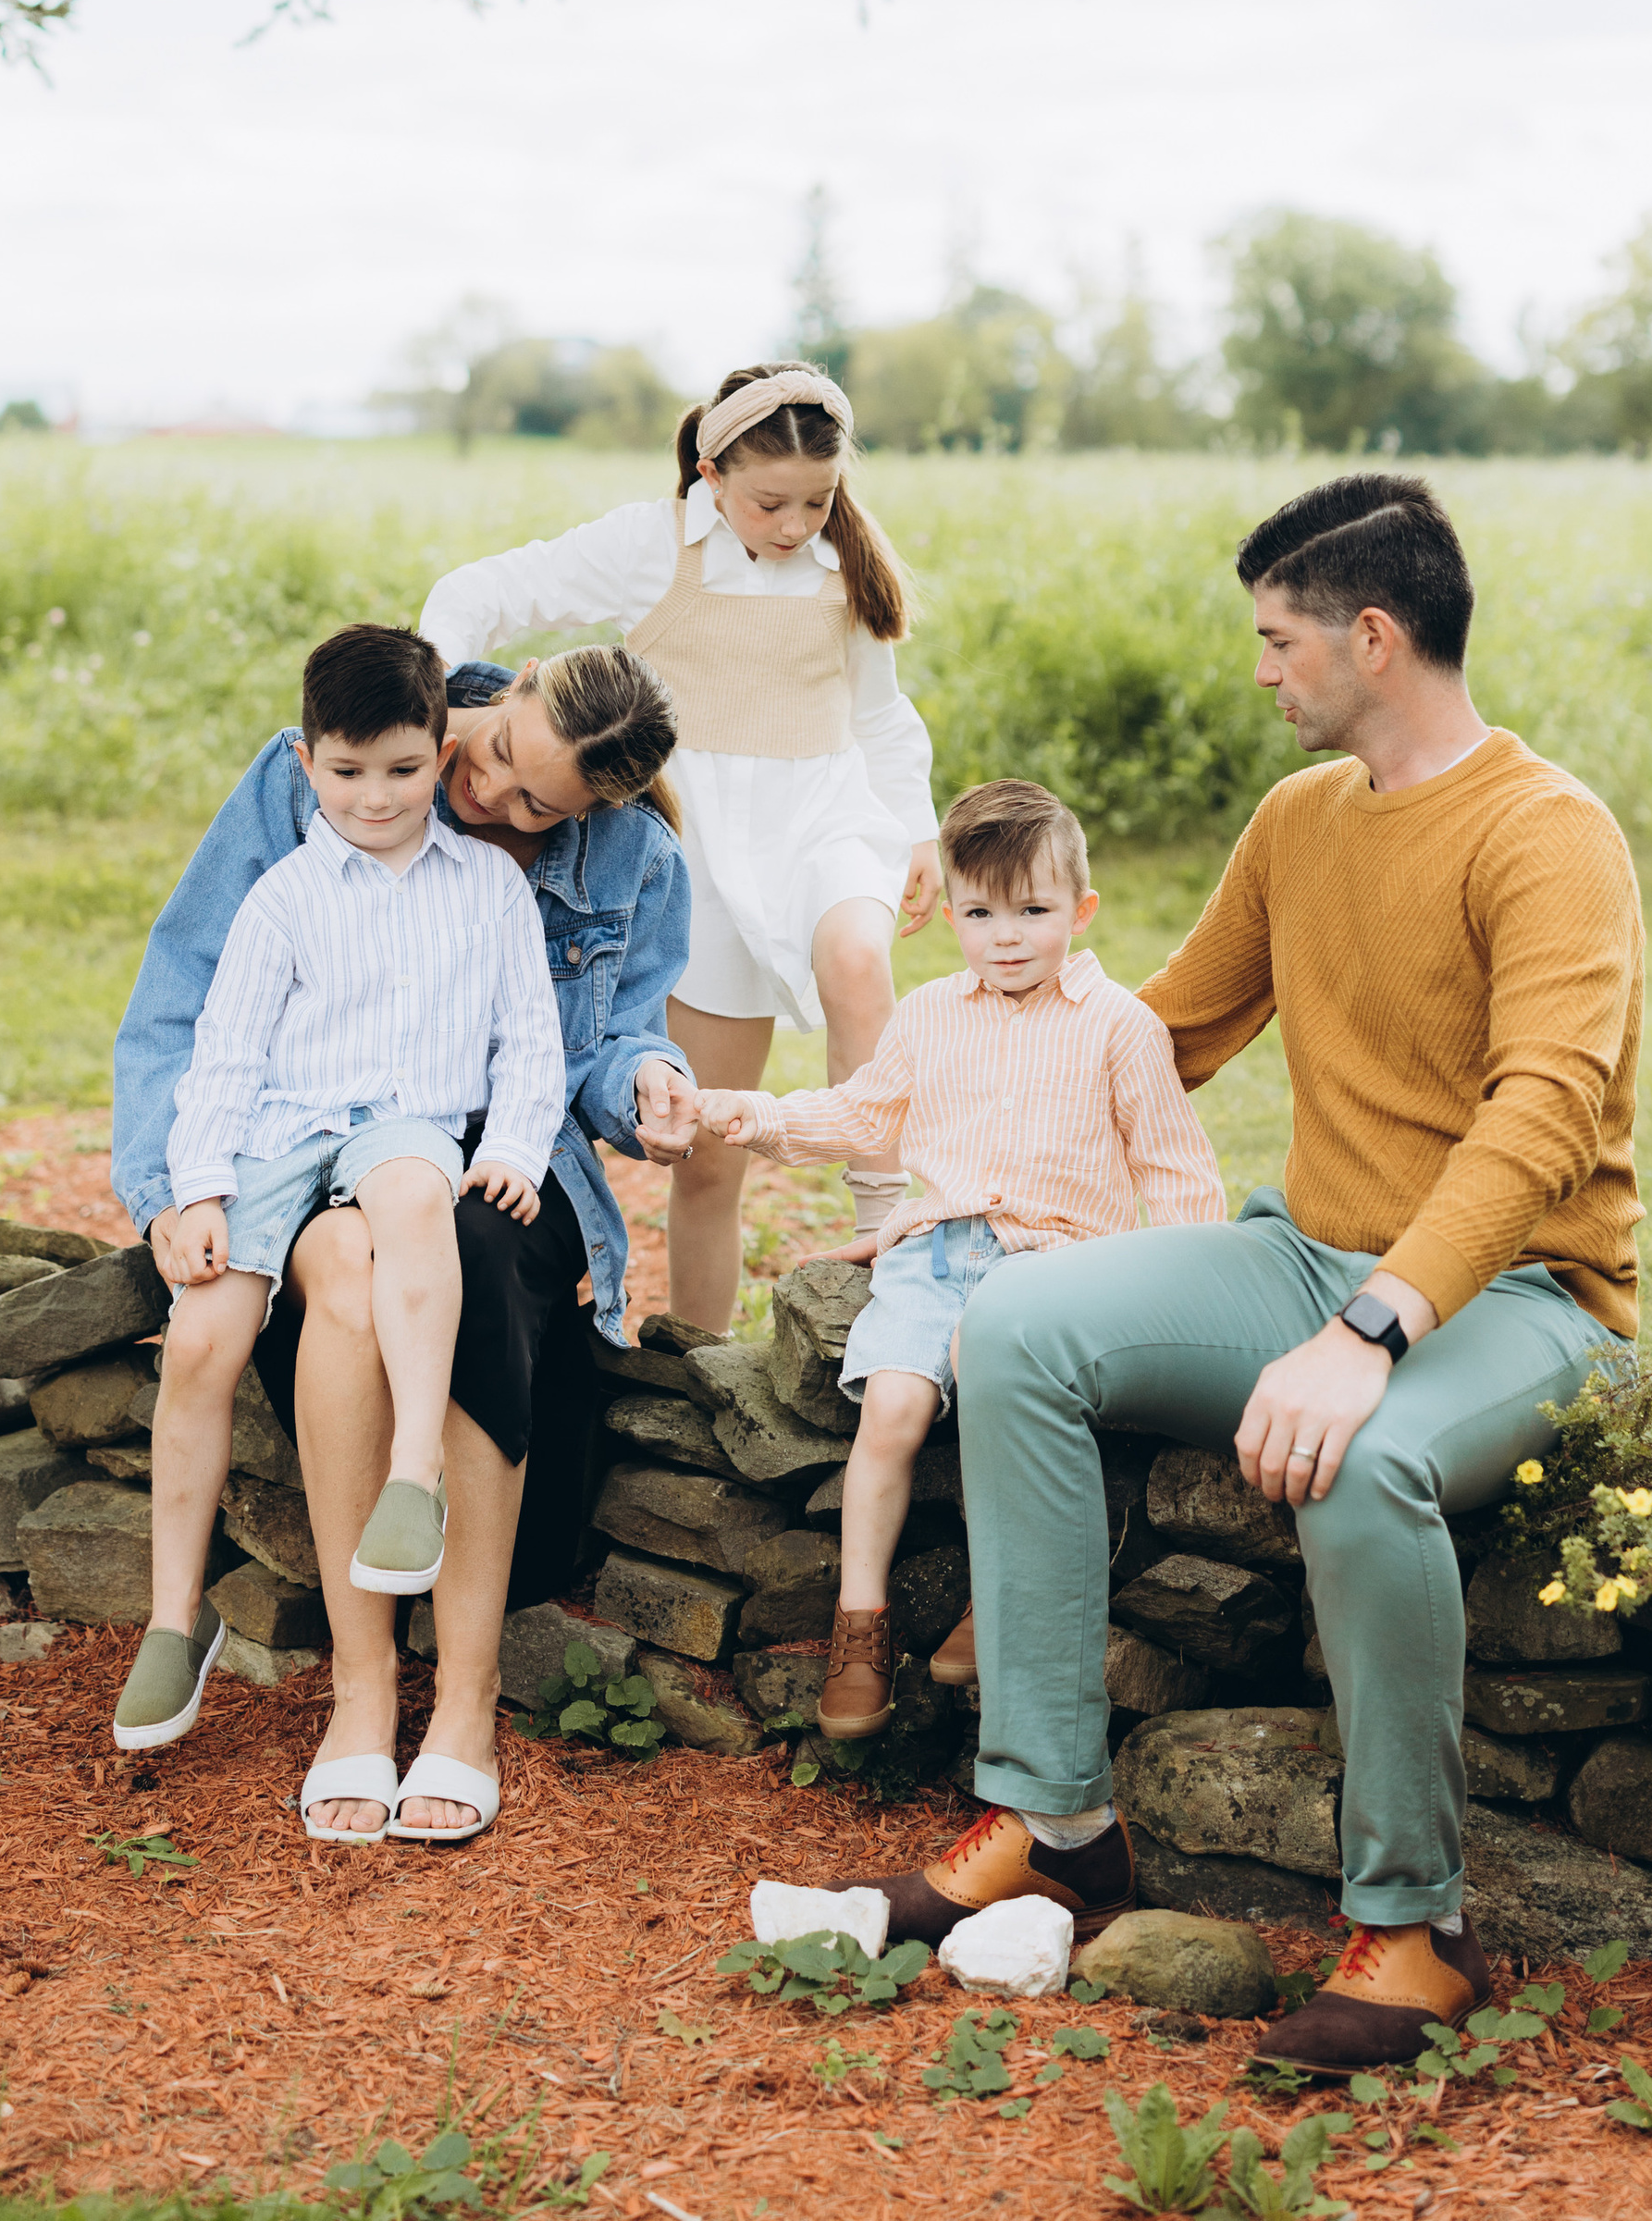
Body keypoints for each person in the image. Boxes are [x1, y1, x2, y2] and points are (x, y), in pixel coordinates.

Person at [870, 475, 1646, 2078]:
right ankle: (1054, 1822)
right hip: (1300, 1255)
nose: (1260, 671)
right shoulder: (1299, 823)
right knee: (1016, 1326)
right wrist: (972, 1076)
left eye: (1278, 641)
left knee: (1361, 1467)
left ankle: (1416, 1934)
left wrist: (1375, 1327)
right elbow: (1161, 1039)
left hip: (1519, 1300)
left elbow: (1545, 1118)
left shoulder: (1548, 835)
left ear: (1372, 638)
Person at [112, 641, 700, 1844]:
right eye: (488, 759)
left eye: (538, 804)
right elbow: (194, 998)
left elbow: (590, 1042)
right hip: (308, 1132)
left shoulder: (631, 863)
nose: (488, 798)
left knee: (469, 1256)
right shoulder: (350, 762)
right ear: (496, 700)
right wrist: (179, 1190)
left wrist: (648, 1081)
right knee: (338, 1274)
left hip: (492, 1156)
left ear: (599, 810)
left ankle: (465, 1698)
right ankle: (361, 1685)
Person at [696, 775, 1225, 1739]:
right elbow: (863, 1111)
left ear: (1082, 909)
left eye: (1033, 910)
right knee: (893, 1409)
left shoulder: (1120, 1028)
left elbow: (1174, 1168)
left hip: (1055, 1265)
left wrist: (1180, 1295)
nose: (1007, 936)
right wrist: (755, 1113)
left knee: (1002, 1401)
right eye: (980, 913)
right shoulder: (930, 1015)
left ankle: (1004, 1597)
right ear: (949, 912)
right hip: (936, 1252)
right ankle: (859, 1626)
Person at [421, 363, 939, 1335]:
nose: (794, 524)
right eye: (769, 502)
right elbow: (483, 588)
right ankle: (702, 1361)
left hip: (827, 815)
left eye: (818, 502)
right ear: (709, 473)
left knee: (858, 961)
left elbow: (881, 714)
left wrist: (916, 825)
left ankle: (889, 1222)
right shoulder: (647, 546)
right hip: (699, 852)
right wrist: (430, 695)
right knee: (709, 1151)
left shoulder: (845, 567)